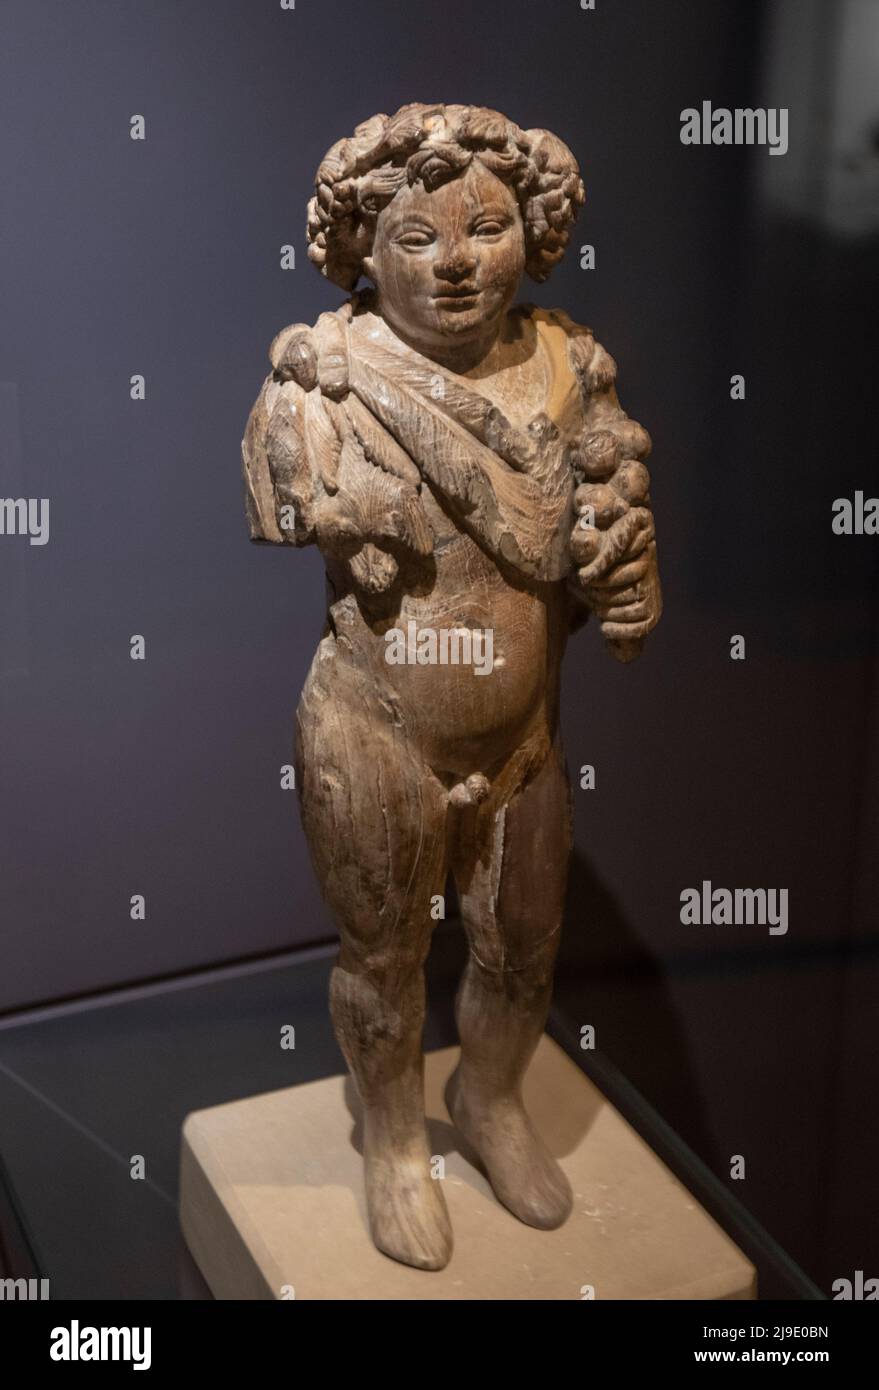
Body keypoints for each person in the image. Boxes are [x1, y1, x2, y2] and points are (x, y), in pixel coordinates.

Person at [242, 102, 661, 1271]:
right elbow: (284, 509)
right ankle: (388, 1141)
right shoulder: (323, 382)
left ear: (534, 232)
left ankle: (489, 1100)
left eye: (486, 227)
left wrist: (630, 582)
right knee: (383, 954)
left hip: (523, 730)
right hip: (376, 724)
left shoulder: (572, 371)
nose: (457, 263)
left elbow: (611, 544)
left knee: (525, 941)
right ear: (363, 255)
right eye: (416, 239)